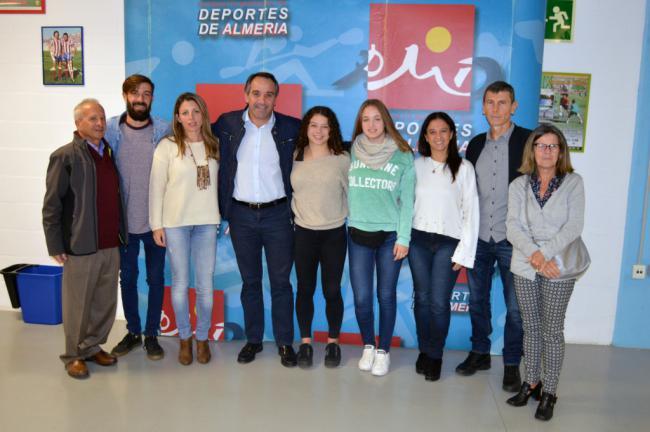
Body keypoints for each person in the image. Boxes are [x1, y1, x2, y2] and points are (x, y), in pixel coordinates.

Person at [211, 72, 300, 367]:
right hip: (241, 216)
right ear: (246, 94)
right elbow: (194, 136)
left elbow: (326, 145)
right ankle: (254, 340)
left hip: (278, 215)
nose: (262, 100)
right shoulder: (227, 124)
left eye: (269, 94)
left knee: (280, 283)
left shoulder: (291, 127)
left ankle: (286, 343)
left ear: (276, 97)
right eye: (257, 93)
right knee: (250, 282)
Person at [42, 99, 127, 379]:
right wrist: (55, 244)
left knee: (104, 302)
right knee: (77, 304)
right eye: (92, 119)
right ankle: (73, 355)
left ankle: (91, 347)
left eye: (101, 118)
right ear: (78, 124)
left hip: (109, 242)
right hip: (80, 245)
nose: (100, 123)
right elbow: (52, 205)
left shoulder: (108, 153)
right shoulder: (64, 156)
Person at [505, 124, 585, 421]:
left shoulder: (573, 183)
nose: (547, 151)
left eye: (553, 146)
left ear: (561, 151)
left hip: (558, 266)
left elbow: (574, 226)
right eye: (541, 146)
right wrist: (536, 256)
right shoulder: (518, 186)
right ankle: (532, 382)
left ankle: (550, 391)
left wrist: (545, 255)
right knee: (531, 326)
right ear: (532, 150)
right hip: (526, 264)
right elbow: (512, 227)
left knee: (552, 331)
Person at [461, 81, 531, 392]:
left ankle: (512, 363)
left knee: (515, 308)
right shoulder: (475, 145)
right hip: (478, 238)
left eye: (502, 103)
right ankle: (479, 352)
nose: (496, 109)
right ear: (484, 106)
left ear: (514, 106)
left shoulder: (530, 141)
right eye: (490, 102)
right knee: (477, 300)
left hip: (513, 240)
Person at [149, 93, 220, 365]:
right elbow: (156, 187)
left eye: (196, 111)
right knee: (180, 284)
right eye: (185, 112)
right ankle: (185, 338)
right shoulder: (167, 147)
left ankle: (202, 338)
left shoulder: (214, 144)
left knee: (205, 285)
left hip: (206, 222)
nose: (191, 117)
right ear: (177, 117)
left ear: (203, 114)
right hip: (176, 222)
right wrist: (157, 223)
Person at [408, 112, 479, 381]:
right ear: (425, 136)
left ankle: (435, 355)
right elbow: (405, 205)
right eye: (432, 132)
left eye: (443, 131)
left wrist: (464, 251)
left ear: (451, 134)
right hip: (418, 241)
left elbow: (471, 211)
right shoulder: (416, 166)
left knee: (439, 302)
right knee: (422, 300)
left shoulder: (464, 168)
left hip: (449, 243)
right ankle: (424, 350)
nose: (438, 136)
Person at [105, 74, 170, 361]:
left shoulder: (165, 130)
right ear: (125, 96)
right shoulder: (109, 130)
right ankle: (133, 331)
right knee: (128, 278)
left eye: (146, 93)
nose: (140, 98)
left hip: (157, 222)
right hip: (123, 225)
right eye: (135, 93)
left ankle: (152, 334)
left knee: (156, 279)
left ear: (152, 98)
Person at [348, 99, 415, 377]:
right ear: (359, 123)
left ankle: (383, 350)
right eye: (366, 119)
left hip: (390, 236)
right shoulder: (351, 150)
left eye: (377, 119)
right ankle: (368, 345)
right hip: (357, 234)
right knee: (362, 298)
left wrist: (404, 238)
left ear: (385, 120)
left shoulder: (402, 154)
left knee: (385, 296)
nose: (372, 125)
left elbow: (408, 200)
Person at [291, 106, 350, 368]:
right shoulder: (294, 156)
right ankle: (305, 343)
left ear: (332, 130)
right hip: (303, 233)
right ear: (306, 127)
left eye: (325, 126)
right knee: (304, 289)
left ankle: (333, 343)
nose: (319, 131)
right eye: (314, 125)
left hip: (334, 234)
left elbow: (353, 196)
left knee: (331, 290)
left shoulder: (342, 159)